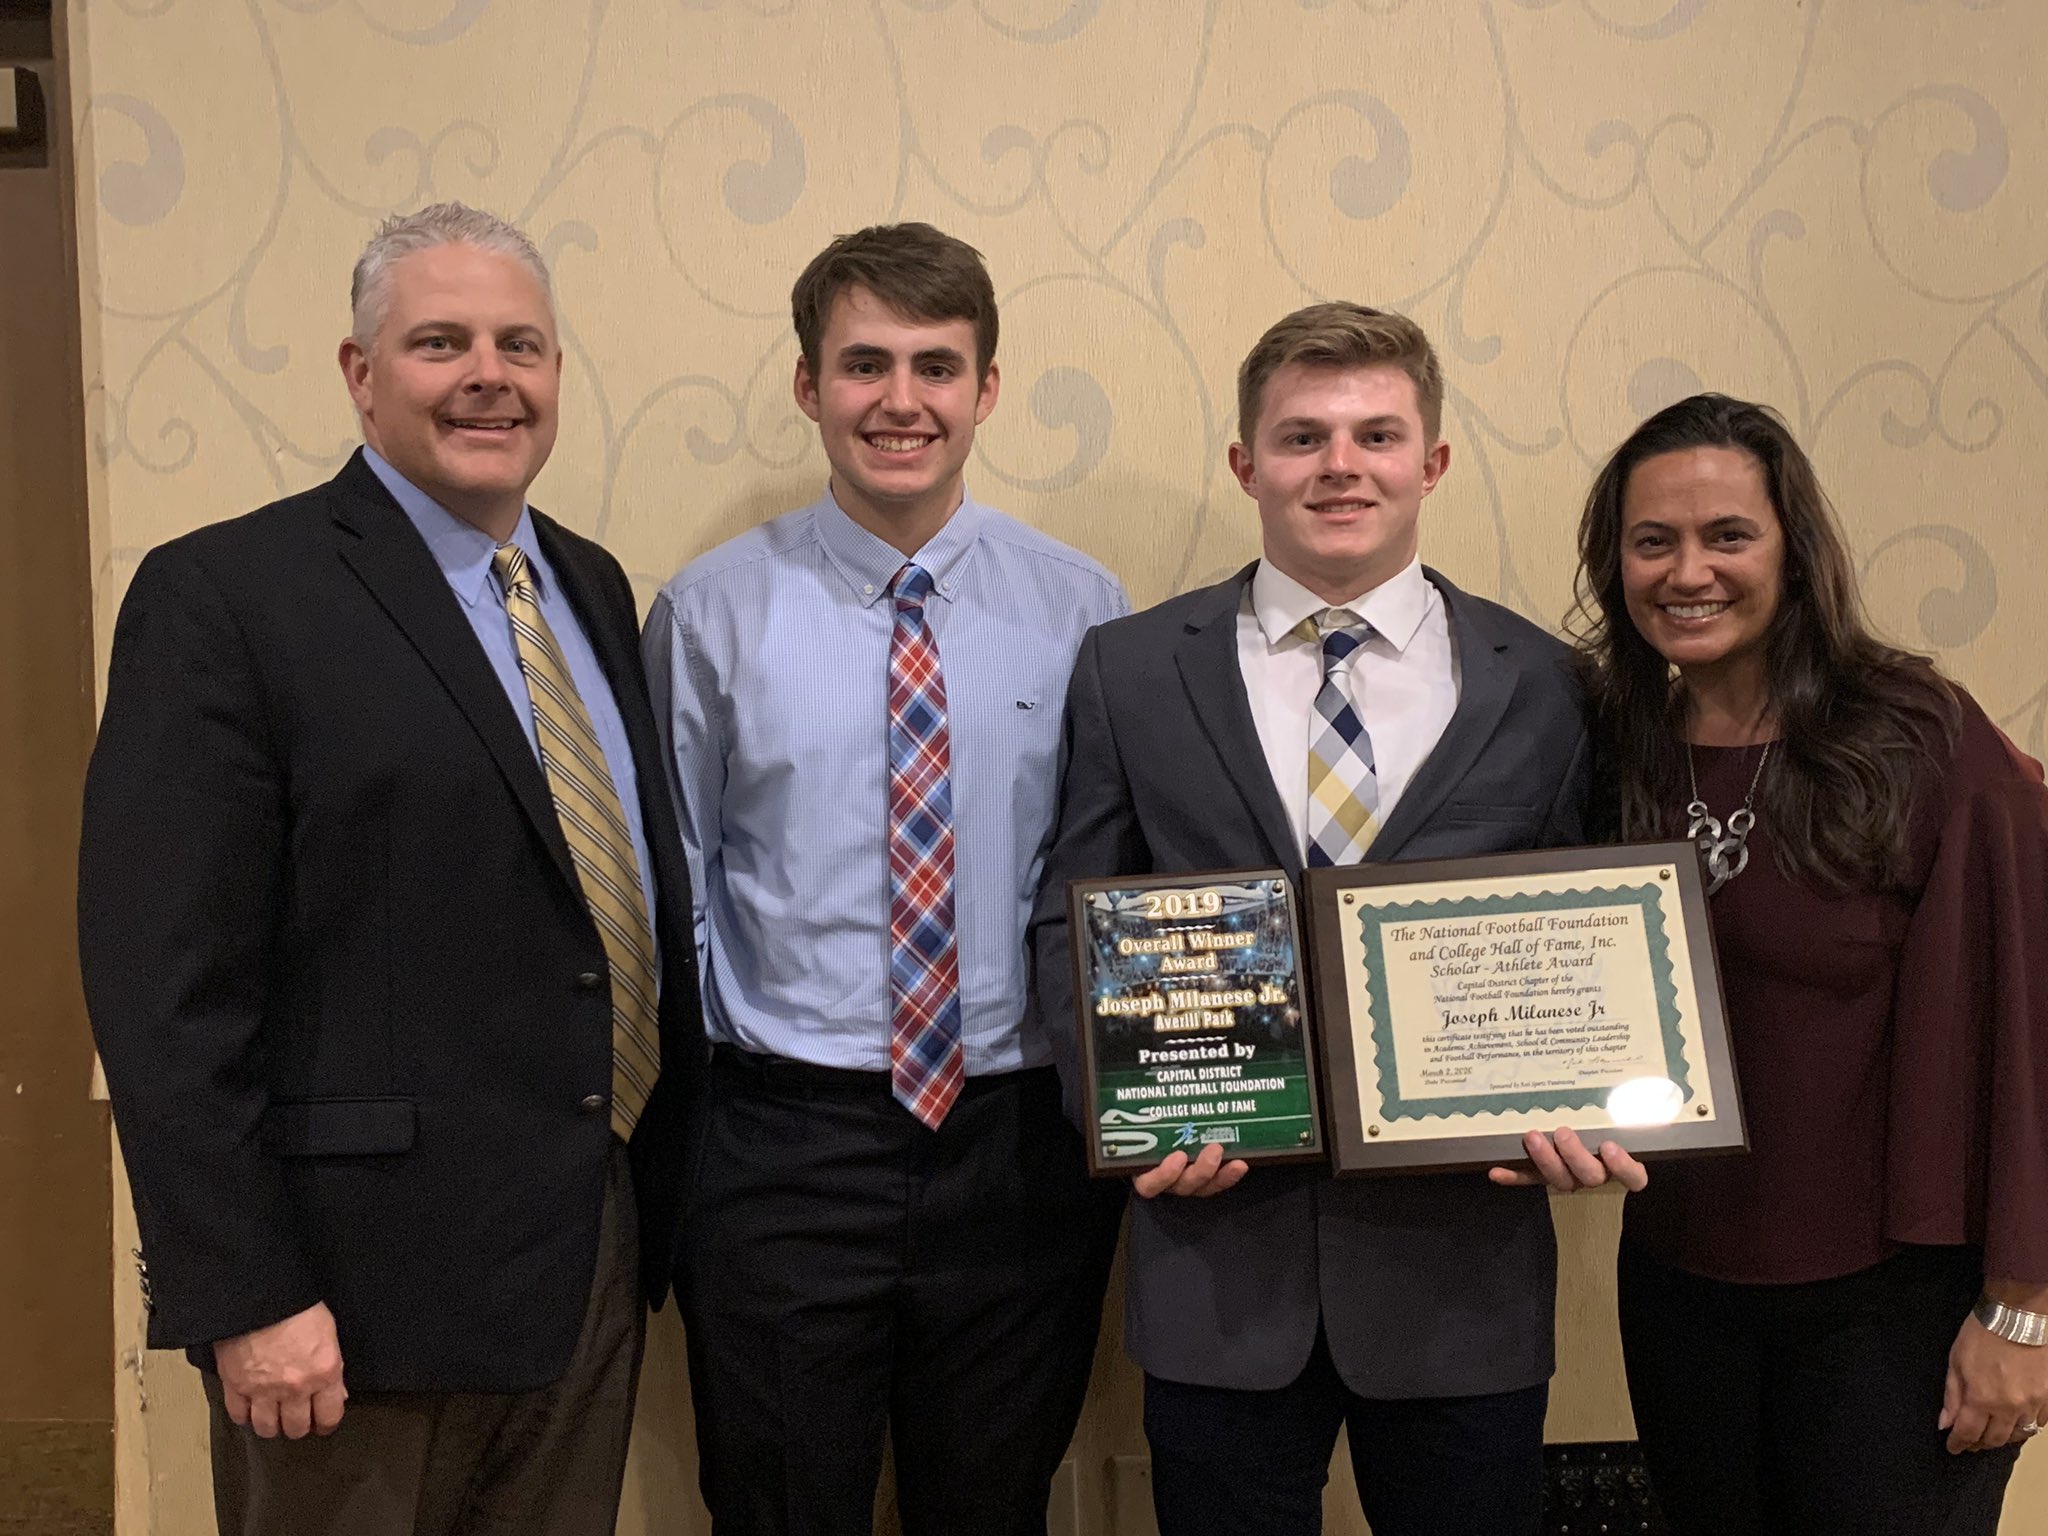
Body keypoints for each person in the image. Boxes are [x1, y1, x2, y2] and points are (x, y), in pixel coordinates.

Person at [78, 203, 704, 1536]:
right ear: (362, 377)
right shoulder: (229, 597)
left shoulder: (585, 585)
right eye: (440, 341)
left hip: (582, 1254)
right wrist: (243, 1291)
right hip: (351, 1298)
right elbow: (162, 985)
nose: (491, 373)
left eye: (521, 344)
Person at [1027, 301, 1643, 1536]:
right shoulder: (1130, 668)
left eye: (1375, 434)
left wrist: (1592, 1095)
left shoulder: (1550, 684)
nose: (1339, 466)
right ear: (1245, 464)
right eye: (1302, 437)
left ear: (1432, 463)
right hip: (1215, 1257)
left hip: (1459, 1274)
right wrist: (1122, 1116)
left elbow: (1588, 938)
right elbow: (1064, 920)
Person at [642, 221, 1128, 1535]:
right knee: (781, 1505)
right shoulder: (707, 613)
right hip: (783, 1146)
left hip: (1016, 1145)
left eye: (935, 365)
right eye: (864, 364)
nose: (899, 401)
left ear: (986, 388)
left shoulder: (1086, 611)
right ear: (809, 386)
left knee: (995, 1504)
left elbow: (1110, 879)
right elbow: (671, 892)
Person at [1572, 391, 2048, 1534]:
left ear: (1793, 551)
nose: (1687, 571)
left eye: (1726, 535)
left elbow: (2028, 1030)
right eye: (1652, 541)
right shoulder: (1615, 750)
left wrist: (2020, 1312)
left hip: (1891, 1302)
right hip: (1679, 1286)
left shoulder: (1920, 738)